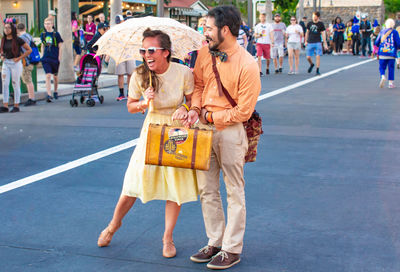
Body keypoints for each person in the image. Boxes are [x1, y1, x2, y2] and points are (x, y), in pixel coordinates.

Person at [97, 28, 198, 259]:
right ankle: (114, 224)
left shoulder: (183, 72)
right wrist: (144, 102)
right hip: (151, 129)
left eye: (151, 50)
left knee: (175, 184)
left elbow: (192, 100)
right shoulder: (140, 74)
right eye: (143, 50)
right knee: (133, 181)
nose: (146, 55)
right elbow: (130, 106)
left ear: (165, 52)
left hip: (175, 129)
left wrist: (185, 108)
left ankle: (167, 238)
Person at [184, 6, 261, 270]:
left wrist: (212, 117)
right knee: (207, 189)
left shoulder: (248, 64)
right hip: (204, 128)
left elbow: (244, 111)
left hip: (229, 130)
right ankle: (215, 241)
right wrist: (195, 109)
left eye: (208, 28)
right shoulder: (205, 53)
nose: (204, 33)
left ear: (225, 30)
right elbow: (198, 85)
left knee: (234, 191)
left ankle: (232, 248)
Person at [0, 19, 32, 113]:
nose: (6, 29)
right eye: (5, 28)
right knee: (5, 84)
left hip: (16, 63)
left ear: (13, 29)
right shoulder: (3, 39)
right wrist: (1, 56)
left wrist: (19, 58)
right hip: (6, 63)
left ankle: (16, 105)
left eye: (8, 28)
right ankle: (5, 105)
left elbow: (29, 50)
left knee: (15, 83)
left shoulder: (18, 39)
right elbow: (1, 50)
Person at [40, 17, 63, 102]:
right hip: (46, 58)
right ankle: (49, 94)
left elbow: (60, 46)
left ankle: (55, 91)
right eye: (45, 24)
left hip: (54, 57)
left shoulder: (56, 34)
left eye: (49, 24)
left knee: (55, 76)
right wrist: (42, 55)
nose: (47, 25)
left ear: (52, 24)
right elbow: (43, 45)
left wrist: (59, 57)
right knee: (48, 75)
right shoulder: (43, 34)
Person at [114, 15, 136, 101]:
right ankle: (121, 93)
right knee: (120, 74)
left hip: (130, 53)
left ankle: (129, 93)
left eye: (120, 21)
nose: (119, 23)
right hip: (120, 53)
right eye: (118, 22)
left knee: (130, 73)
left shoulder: (130, 30)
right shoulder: (116, 30)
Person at [375, 18, 400, 89]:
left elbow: (376, 42)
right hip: (391, 53)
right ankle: (390, 83)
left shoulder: (382, 32)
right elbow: (398, 43)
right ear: (393, 25)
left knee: (382, 67)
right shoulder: (395, 32)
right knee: (391, 68)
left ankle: (382, 76)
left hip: (382, 53)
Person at [16, 23, 37, 106]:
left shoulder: (20, 38)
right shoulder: (29, 36)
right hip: (31, 60)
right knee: (25, 78)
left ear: (17, 30)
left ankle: (32, 98)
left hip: (25, 61)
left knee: (28, 80)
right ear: (25, 28)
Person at [305, 11, 328, 76]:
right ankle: (311, 64)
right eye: (313, 16)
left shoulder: (321, 24)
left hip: (317, 41)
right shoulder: (309, 23)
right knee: (308, 57)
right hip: (310, 41)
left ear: (318, 17)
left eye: (314, 16)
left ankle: (317, 70)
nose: (313, 17)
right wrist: (306, 40)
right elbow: (307, 32)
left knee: (318, 56)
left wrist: (325, 43)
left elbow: (323, 34)